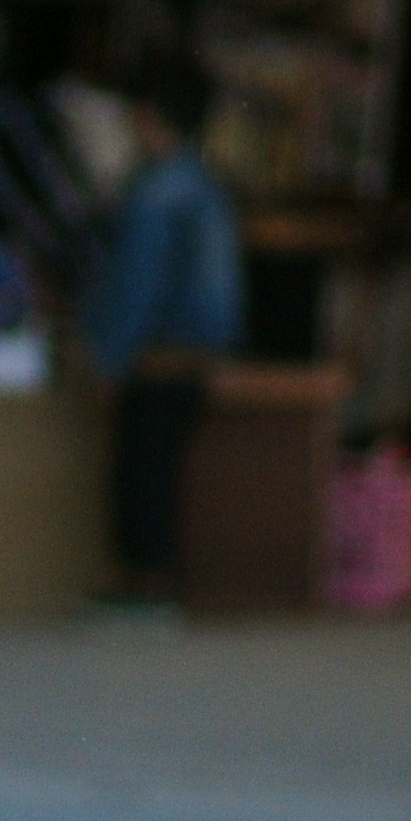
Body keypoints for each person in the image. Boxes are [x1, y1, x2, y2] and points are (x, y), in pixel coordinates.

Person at [84, 48, 243, 600]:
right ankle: (156, 573)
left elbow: (138, 287)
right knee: (165, 465)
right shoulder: (206, 187)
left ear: (148, 116)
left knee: (141, 469)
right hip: (199, 354)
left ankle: (145, 577)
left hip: (157, 356)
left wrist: (108, 357)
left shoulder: (154, 193)